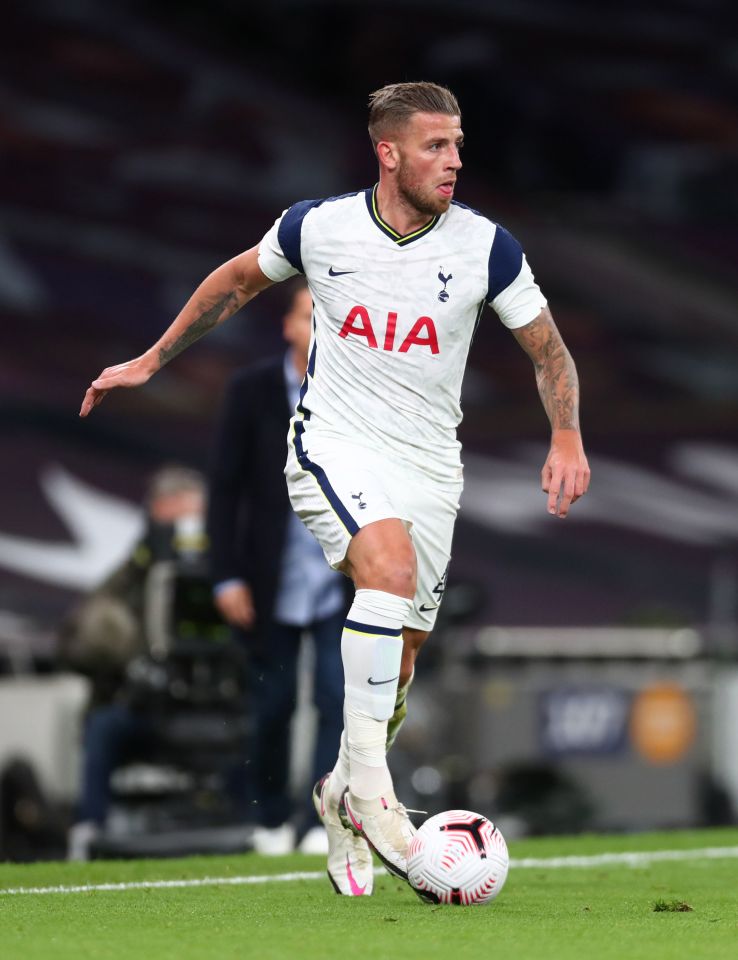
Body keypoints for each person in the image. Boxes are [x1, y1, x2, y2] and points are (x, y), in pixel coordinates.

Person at [80, 81, 590, 894]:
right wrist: (151, 359)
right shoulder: (319, 226)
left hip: (430, 464)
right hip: (334, 443)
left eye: (458, 144)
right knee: (384, 573)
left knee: (405, 655)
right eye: (435, 146)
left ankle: (339, 790)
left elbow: (549, 351)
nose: (454, 160)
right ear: (387, 153)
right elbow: (236, 281)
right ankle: (377, 800)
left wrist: (565, 433)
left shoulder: (487, 247)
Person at [208, 279, 347, 855]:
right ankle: (268, 817)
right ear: (288, 325)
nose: (320, 330)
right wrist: (226, 574)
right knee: (274, 700)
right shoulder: (252, 390)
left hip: (339, 574)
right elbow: (224, 489)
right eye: (310, 317)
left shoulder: (356, 394)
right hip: (270, 578)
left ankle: (320, 820)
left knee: (337, 699)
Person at [61, 466, 208, 859]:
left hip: (210, 707)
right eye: (180, 518)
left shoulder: (222, 579)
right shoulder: (131, 577)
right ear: (158, 512)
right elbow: (78, 638)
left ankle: (261, 824)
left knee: (259, 717)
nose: (189, 529)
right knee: (103, 727)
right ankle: (89, 830)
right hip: (140, 707)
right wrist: (129, 660)